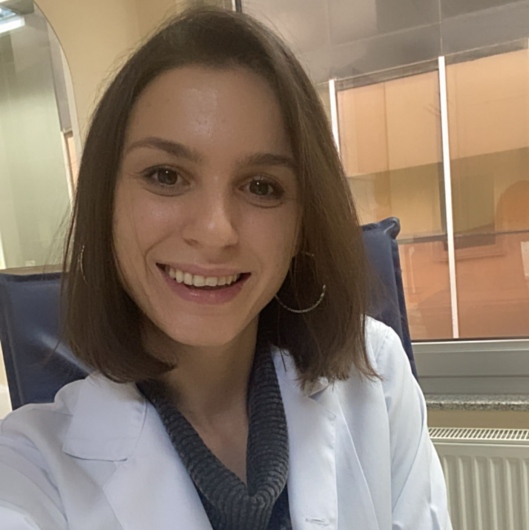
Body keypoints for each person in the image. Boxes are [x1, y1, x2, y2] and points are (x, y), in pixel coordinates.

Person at [0, 7, 452, 530]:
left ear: (301, 225)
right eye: (166, 176)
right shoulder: (27, 472)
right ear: (107, 203)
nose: (216, 230)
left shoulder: (376, 377)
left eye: (261, 186)